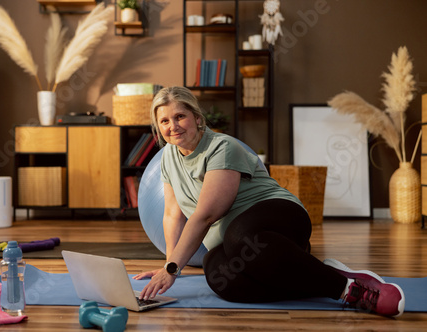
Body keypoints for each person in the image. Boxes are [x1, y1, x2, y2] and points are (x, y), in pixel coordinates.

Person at [133, 86, 405, 317]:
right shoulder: (168, 157)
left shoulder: (222, 148)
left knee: (238, 237)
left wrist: (173, 270)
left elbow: (205, 215)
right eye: (165, 121)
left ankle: (349, 290)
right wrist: (169, 263)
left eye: (180, 116)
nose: (173, 126)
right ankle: (310, 269)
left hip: (279, 218)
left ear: (196, 117)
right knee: (219, 277)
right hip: (252, 244)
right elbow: (172, 214)